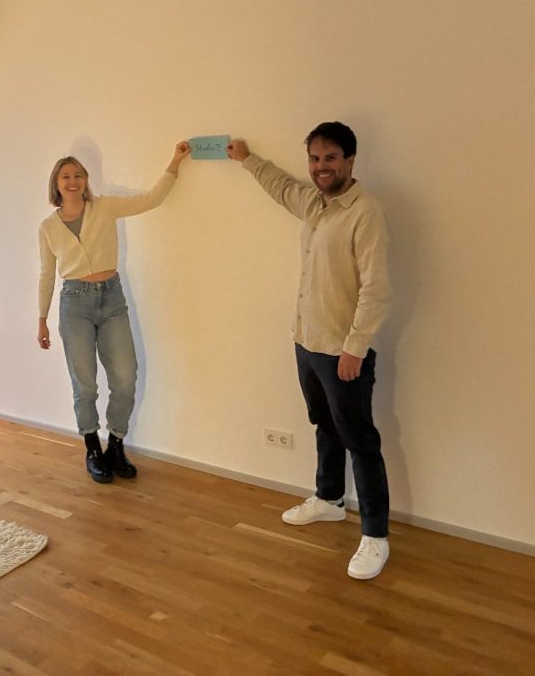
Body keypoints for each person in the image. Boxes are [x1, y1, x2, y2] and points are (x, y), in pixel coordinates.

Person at [227, 122, 392, 580]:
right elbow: (281, 187)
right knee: (324, 425)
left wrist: (355, 348)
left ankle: (375, 535)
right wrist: (247, 159)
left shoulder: (366, 212)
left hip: (343, 351)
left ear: (350, 160)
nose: (322, 167)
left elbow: (377, 289)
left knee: (360, 440)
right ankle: (330, 498)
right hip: (307, 341)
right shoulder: (314, 204)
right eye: (315, 159)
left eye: (331, 158)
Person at [37, 142, 191, 483]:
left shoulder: (105, 207)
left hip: (111, 298)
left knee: (125, 376)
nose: (73, 181)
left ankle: (116, 445)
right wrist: (42, 319)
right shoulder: (48, 228)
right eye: (66, 176)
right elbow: (47, 274)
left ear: (86, 180)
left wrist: (175, 160)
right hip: (74, 303)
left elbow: (150, 199)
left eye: (78, 175)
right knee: (85, 384)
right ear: (56, 184)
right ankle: (92, 448)